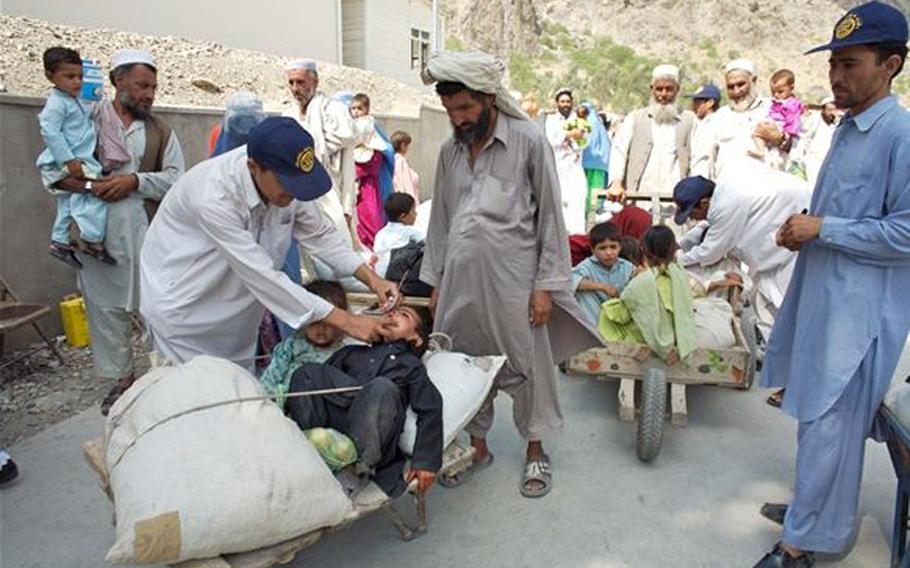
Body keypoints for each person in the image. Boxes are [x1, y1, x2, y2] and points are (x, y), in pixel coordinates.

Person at [754, 3, 910, 566]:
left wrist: (824, 227)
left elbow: (907, 233)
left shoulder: (901, 134)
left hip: (860, 315)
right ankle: (812, 513)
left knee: (830, 425)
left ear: (890, 64)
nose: (836, 77)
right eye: (833, 65)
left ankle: (799, 546)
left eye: (850, 64)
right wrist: (808, 230)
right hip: (826, 298)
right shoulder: (850, 128)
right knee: (814, 416)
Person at [420, 51, 602, 499]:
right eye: (450, 111)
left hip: (514, 282)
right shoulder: (449, 151)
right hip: (461, 283)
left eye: (465, 109)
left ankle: (536, 448)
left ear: (488, 99)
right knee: (465, 363)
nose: (458, 119)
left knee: (528, 365)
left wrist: (545, 287)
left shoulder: (528, 140)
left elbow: (550, 222)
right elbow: (440, 220)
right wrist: (436, 283)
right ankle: (478, 446)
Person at [140, 117, 398, 367]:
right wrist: (350, 322)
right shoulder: (214, 196)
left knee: (237, 393)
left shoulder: (287, 182)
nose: (294, 193)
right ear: (254, 167)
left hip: (234, 318)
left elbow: (321, 235)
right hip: (185, 315)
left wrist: (372, 279)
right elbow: (261, 275)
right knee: (195, 399)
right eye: (287, 184)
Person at [47, 49, 185, 415]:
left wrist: (133, 181)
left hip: (145, 236)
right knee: (105, 313)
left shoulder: (160, 130)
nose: (149, 94)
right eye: (142, 85)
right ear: (117, 81)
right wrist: (94, 189)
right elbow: (54, 173)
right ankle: (122, 382)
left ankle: (167, 380)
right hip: (97, 240)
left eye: (153, 87)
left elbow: (176, 180)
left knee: (157, 309)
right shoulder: (82, 123)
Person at [287, 305, 442, 497]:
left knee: (381, 387)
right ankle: (311, 448)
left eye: (404, 314)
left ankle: (357, 469)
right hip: (335, 428)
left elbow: (431, 408)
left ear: (416, 339)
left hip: (370, 434)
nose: (393, 314)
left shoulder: (411, 366)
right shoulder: (353, 352)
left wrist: (426, 462)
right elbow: (320, 386)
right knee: (307, 372)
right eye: (392, 312)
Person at [673, 167, 809, 343]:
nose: (693, 219)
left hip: (789, 233)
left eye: (692, 213)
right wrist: (678, 244)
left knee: (780, 301)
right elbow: (705, 227)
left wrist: (676, 260)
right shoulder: (722, 194)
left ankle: (786, 345)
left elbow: (710, 252)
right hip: (774, 231)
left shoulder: (727, 205)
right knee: (766, 298)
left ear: (705, 203)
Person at [37, 47, 114, 268]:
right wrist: (68, 161)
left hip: (78, 160)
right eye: (69, 77)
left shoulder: (75, 100)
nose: (77, 82)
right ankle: (92, 237)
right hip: (68, 163)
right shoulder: (56, 104)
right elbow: (50, 132)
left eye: (80, 76)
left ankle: (59, 240)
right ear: (50, 76)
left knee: (68, 203)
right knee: (93, 194)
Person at [283, 58, 356, 244]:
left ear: (315, 82)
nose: (295, 88)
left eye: (300, 82)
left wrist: (311, 149)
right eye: (291, 82)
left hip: (330, 185)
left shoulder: (334, 110)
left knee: (337, 237)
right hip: (299, 186)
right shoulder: (288, 114)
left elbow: (346, 136)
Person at [599, 226, 696, 365]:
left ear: (644, 249)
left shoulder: (642, 281)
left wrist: (609, 304)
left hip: (651, 336)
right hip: (678, 334)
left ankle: (639, 349)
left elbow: (624, 312)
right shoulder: (680, 274)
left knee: (607, 313)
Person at [607, 64, 697, 201]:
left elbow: (698, 159)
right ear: (652, 89)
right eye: (659, 89)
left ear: (677, 89)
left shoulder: (689, 120)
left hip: (675, 201)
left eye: (669, 89)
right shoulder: (635, 118)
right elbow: (619, 151)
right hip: (639, 198)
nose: (663, 94)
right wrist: (616, 182)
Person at [691, 59, 787, 179]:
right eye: (731, 87)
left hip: (770, 191)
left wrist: (781, 139)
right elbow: (702, 162)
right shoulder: (717, 119)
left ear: (753, 81)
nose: (736, 91)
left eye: (741, 84)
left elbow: (797, 150)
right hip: (728, 192)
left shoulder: (775, 110)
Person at [259, 280, 348, 409]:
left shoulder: (343, 352)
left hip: (322, 407)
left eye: (328, 324)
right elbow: (273, 374)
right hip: (288, 401)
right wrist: (267, 400)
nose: (321, 329)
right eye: (314, 323)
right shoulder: (293, 344)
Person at [545, 88, 589, 235]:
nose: (565, 104)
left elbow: (584, 142)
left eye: (568, 101)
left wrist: (577, 139)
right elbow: (550, 140)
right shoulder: (551, 121)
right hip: (557, 166)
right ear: (557, 103)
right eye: (562, 101)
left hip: (574, 166)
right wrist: (568, 135)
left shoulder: (578, 120)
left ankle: (577, 237)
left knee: (577, 199)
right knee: (559, 201)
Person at [572, 222, 635, 325]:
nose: (609, 253)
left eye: (613, 247)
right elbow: (572, 281)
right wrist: (602, 287)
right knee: (582, 290)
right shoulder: (587, 266)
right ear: (593, 250)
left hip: (620, 319)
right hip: (595, 318)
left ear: (620, 247)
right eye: (602, 248)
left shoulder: (627, 267)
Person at [350, 93, 391, 249]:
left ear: (366, 109)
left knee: (370, 217)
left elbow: (368, 165)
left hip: (368, 188)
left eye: (359, 108)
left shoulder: (367, 126)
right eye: (352, 109)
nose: (355, 112)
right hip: (358, 185)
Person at [749, 69, 803, 167]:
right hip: (773, 125)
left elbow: (793, 120)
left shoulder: (792, 104)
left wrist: (787, 134)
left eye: (780, 92)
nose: (776, 95)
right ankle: (760, 150)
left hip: (784, 129)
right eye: (773, 92)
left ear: (791, 88)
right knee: (756, 134)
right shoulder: (772, 102)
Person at [789, 98, 838, 187]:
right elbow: (803, 137)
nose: (832, 113)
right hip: (812, 162)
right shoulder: (815, 120)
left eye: (834, 110)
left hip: (826, 164)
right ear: (823, 110)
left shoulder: (834, 125)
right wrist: (797, 158)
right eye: (829, 110)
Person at [373, 193, 424, 278]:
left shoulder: (380, 233)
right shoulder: (409, 231)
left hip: (380, 274)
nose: (416, 214)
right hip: (398, 276)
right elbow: (427, 241)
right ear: (403, 217)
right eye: (413, 211)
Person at [580, 101, 611, 220]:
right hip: (600, 162)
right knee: (595, 188)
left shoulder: (590, 122)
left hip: (590, 161)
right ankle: (592, 212)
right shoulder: (597, 122)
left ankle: (590, 214)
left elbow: (589, 143)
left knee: (590, 189)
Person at [210, 91, 266, 157]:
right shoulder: (217, 134)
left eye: (249, 120)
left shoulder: (269, 138)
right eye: (238, 121)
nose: (244, 129)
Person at [391, 130, 420, 202]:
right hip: (406, 205)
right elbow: (406, 185)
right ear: (402, 145)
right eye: (407, 145)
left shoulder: (394, 160)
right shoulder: (401, 161)